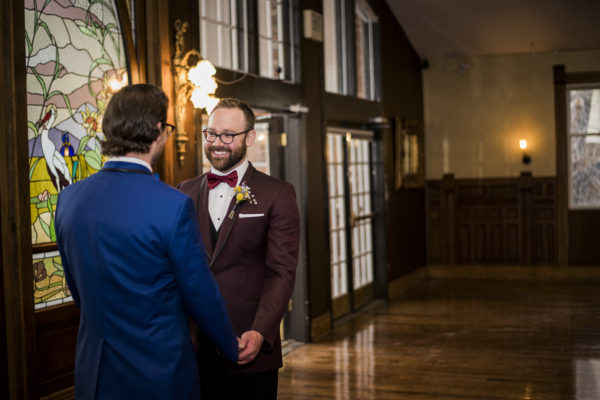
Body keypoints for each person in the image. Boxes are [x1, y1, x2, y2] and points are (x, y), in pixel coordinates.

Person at [55, 84, 239, 399]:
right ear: (157, 130)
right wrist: (230, 346)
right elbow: (199, 291)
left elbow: (78, 289)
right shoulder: (172, 204)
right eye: (168, 128)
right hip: (157, 370)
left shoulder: (68, 199)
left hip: (94, 370)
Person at [177, 98, 300, 400]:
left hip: (249, 344)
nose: (217, 143)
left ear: (249, 137)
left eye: (228, 135)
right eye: (211, 134)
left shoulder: (277, 193)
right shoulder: (183, 191)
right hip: (193, 345)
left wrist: (259, 332)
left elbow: (281, 272)